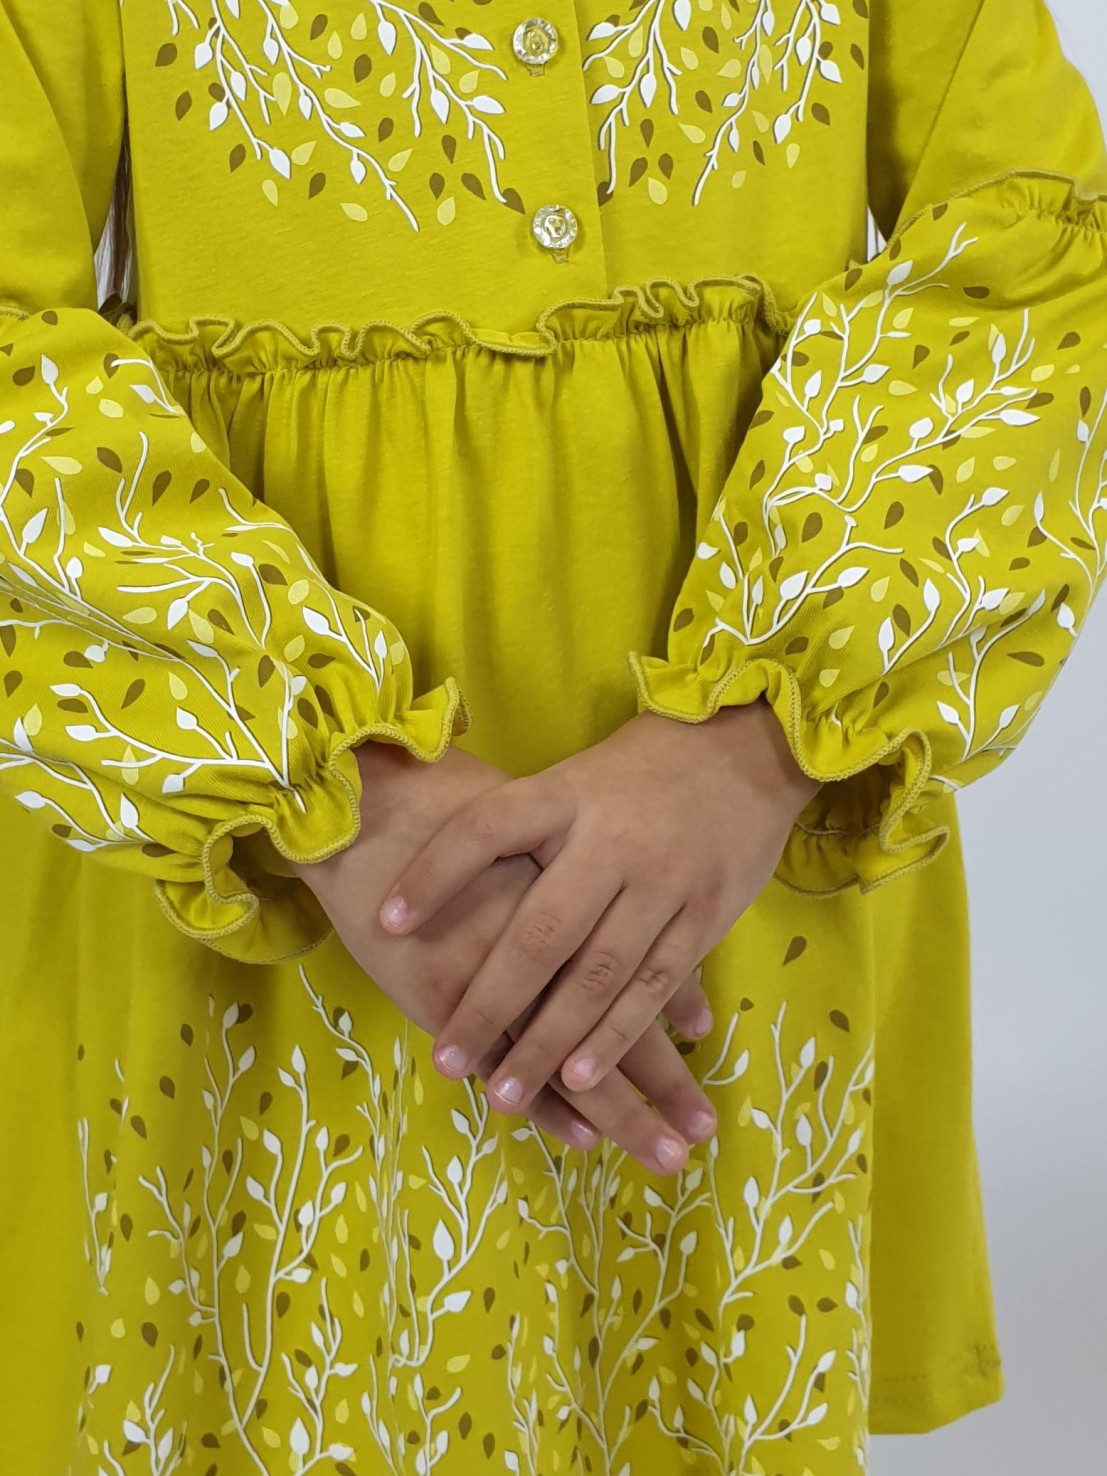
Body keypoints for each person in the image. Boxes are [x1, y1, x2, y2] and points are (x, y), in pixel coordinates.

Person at [1, 0, 1104, 1468]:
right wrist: (317, 779)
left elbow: (1038, 250)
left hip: (736, 864)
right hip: (259, 870)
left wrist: (750, 743)